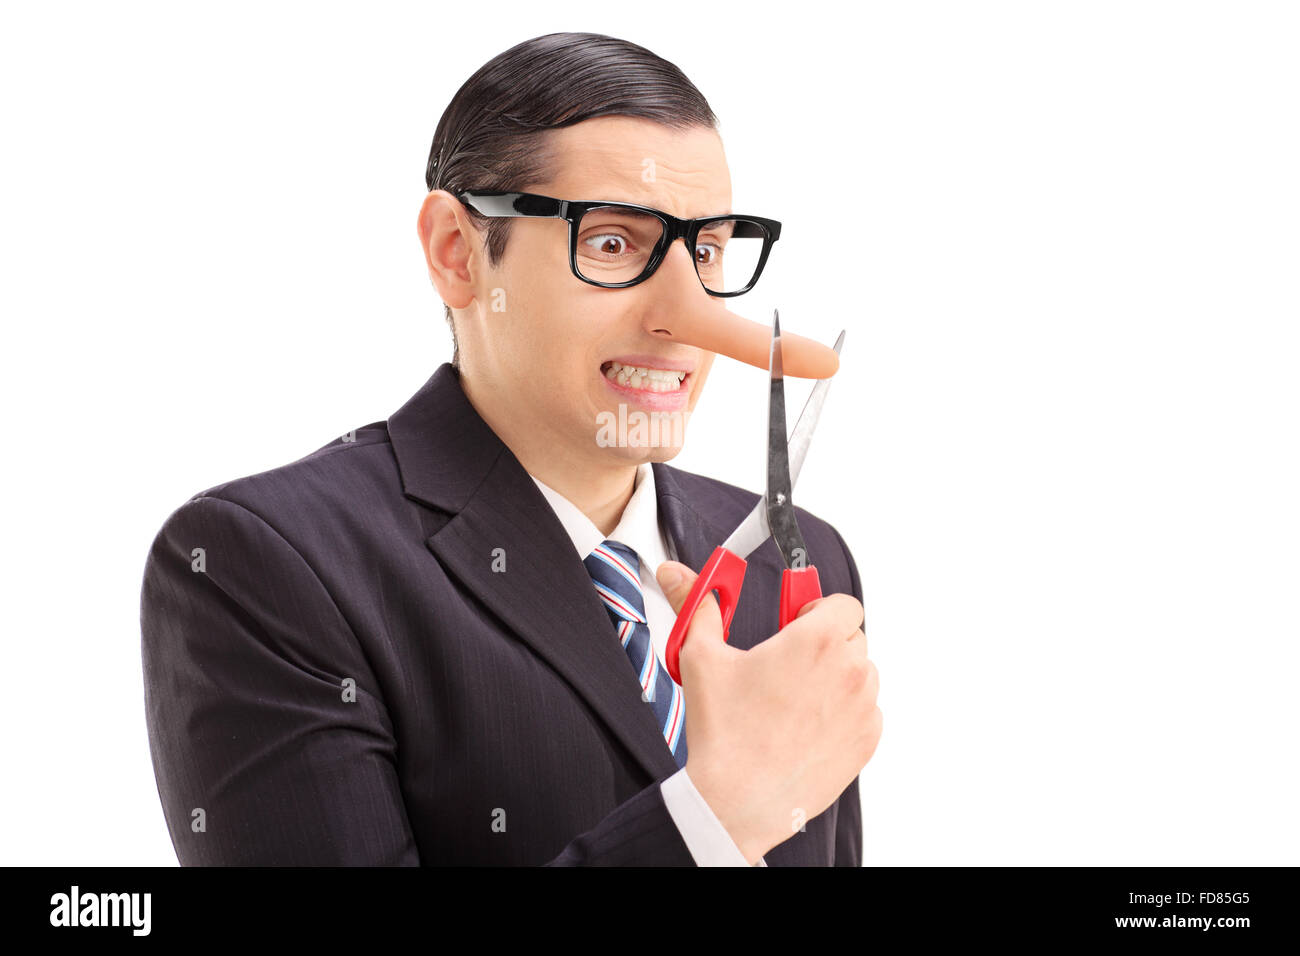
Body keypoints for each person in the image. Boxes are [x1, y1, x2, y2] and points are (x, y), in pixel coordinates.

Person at [140, 31, 882, 866]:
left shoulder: (806, 559)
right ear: (457, 253)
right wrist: (713, 820)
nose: (686, 316)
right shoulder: (264, 564)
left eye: (706, 250)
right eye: (612, 242)